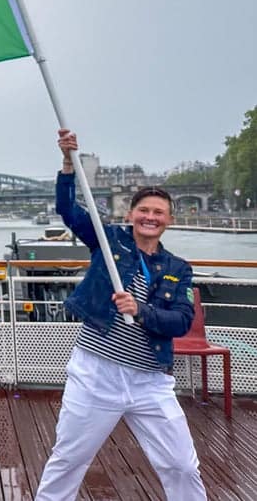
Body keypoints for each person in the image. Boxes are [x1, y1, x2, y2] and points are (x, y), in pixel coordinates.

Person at [35, 129, 205, 500]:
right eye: (144, 210)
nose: (150, 217)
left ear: (168, 221)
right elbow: (69, 211)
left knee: (181, 465)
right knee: (69, 459)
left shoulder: (178, 267)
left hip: (150, 381)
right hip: (97, 373)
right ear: (131, 214)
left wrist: (140, 310)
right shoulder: (109, 239)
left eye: (158, 213)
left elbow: (180, 321)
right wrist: (67, 164)